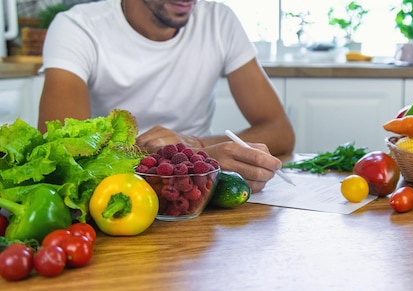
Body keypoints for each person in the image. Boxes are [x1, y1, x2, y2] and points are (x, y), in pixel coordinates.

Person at [37, 0, 295, 193]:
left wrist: (197, 149)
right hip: (113, 186)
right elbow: (62, 150)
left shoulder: (219, 20)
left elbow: (280, 132)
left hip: (196, 192)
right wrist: (184, 157)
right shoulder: (78, 27)